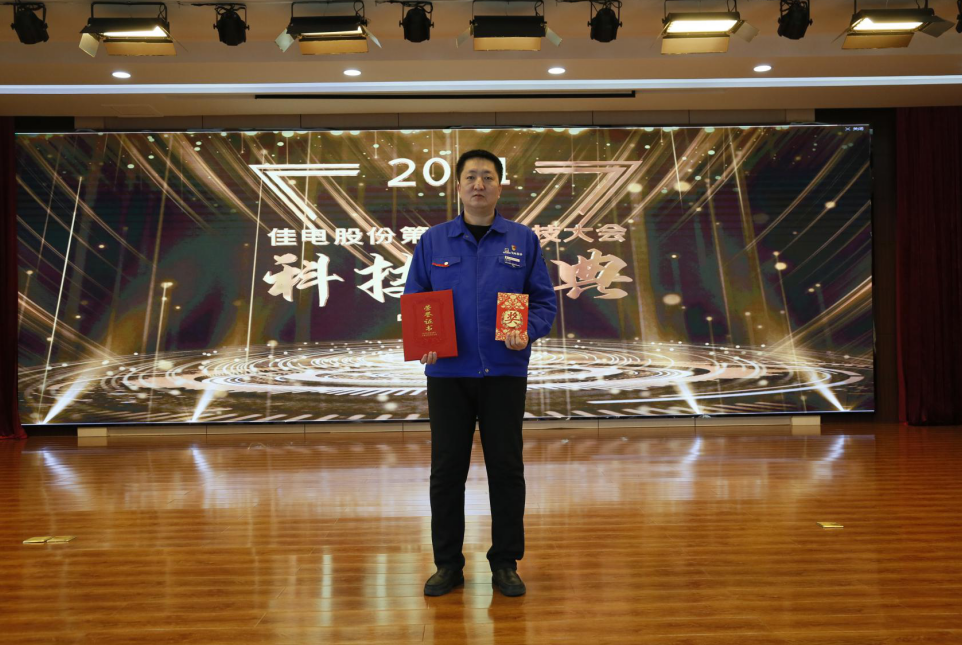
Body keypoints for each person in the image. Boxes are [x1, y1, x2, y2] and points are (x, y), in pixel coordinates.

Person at [404, 149, 558, 597]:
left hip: (504, 372)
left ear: (499, 186)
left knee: (506, 469)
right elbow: (416, 300)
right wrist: (423, 340)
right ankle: (447, 564)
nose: (478, 184)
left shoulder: (522, 240)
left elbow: (544, 301)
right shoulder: (434, 241)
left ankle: (505, 562)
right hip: (448, 375)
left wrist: (527, 331)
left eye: (487, 177)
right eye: (470, 176)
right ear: (457, 186)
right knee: (446, 471)